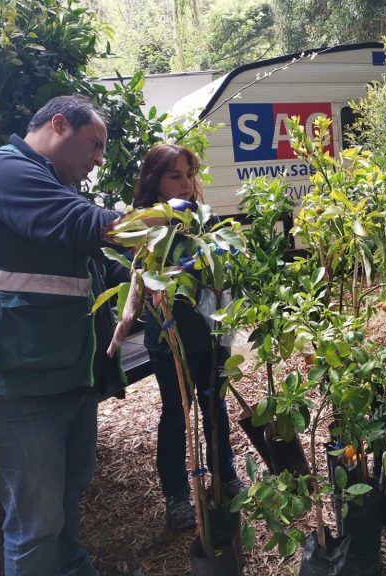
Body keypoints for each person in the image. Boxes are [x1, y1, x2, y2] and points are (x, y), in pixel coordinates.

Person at [0, 95, 128, 576]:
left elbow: (88, 265)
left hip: (61, 377)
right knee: (35, 525)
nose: (98, 159)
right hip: (8, 385)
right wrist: (164, 222)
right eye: (94, 145)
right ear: (59, 125)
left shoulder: (50, 187)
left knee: (64, 506)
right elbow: (80, 225)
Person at [132, 143, 242, 530]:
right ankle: (177, 496)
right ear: (154, 181)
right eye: (174, 175)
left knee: (216, 409)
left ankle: (225, 478)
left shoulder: (203, 220)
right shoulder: (144, 223)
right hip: (168, 341)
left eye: (189, 175)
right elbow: (132, 278)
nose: (185, 184)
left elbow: (224, 271)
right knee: (176, 415)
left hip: (209, 336)